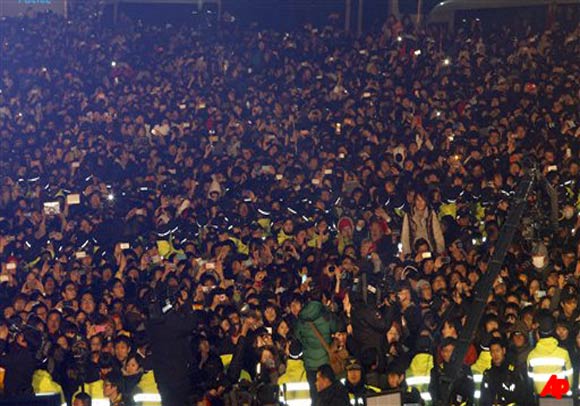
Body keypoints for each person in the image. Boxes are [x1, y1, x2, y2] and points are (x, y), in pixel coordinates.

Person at [295, 290, 338, 404]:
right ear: (322, 298)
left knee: (315, 396)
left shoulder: (301, 317)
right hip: (325, 361)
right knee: (330, 394)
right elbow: (335, 327)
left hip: (310, 364)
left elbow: (298, 336)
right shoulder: (326, 313)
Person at [527, 312, 573, 395]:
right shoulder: (563, 354)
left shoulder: (531, 356)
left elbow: (530, 382)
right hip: (560, 399)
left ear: (538, 334)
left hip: (540, 399)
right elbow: (569, 380)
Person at [480, 337, 534, 406]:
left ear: (503, 351)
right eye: (492, 351)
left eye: (497, 351)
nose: (495, 354)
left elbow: (524, 396)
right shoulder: (488, 375)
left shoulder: (514, 372)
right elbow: (484, 400)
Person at [429, 337, 474, 406]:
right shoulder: (436, 371)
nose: (448, 354)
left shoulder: (465, 369)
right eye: (445, 351)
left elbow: (470, 392)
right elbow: (433, 391)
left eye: (451, 351)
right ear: (442, 353)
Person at [0, 323, 41, 397]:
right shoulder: (22, 352)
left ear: (25, 342)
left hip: (19, 398)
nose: (17, 335)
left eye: (20, 334)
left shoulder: (24, 356)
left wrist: (2, 339)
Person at [401, 191, 445, 258]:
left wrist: (440, 251)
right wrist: (408, 254)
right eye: (418, 200)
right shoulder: (409, 215)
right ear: (414, 201)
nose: (420, 203)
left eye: (423, 200)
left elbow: (437, 233)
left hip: (430, 249)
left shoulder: (431, 214)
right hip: (414, 249)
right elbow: (405, 235)